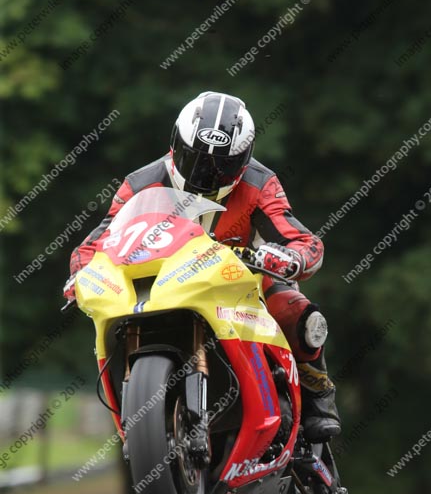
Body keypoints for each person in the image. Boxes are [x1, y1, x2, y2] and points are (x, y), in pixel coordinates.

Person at [65, 91, 340, 442]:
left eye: (222, 165)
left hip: (243, 279)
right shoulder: (141, 182)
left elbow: (302, 240)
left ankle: (319, 398)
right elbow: (96, 242)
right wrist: (81, 273)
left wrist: (293, 258)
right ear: (175, 144)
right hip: (165, 279)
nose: (207, 173)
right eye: (195, 159)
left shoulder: (259, 183)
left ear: (243, 160)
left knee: (298, 314)